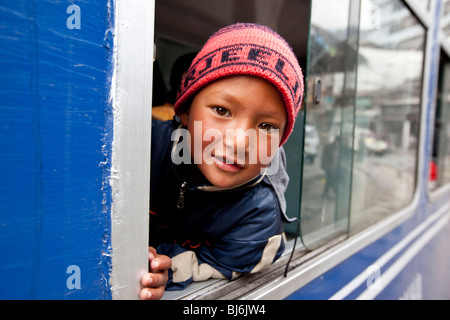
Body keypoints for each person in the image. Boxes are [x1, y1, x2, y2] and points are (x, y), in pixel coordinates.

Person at [140, 23, 304, 299]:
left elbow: (218, 264)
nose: (239, 141)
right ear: (186, 112)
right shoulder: (143, 149)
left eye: (266, 126)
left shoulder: (260, 216)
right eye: (221, 110)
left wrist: (165, 267)